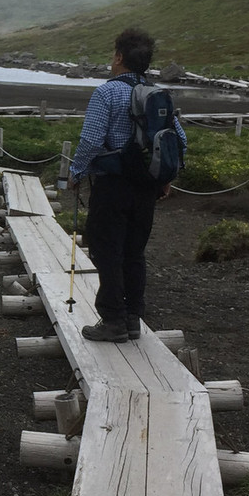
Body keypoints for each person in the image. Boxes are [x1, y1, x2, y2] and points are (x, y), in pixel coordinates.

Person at [68, 28, 187, 342]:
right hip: (146, 186)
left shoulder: (106, 93)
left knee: (107, 252)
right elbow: (180, 140)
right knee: (134, 252)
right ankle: (133, 318)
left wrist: (76, 172)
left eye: (113, 54)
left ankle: (113, 321)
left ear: (119, 57)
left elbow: (92, 140)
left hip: (112, 186)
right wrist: (165, 179)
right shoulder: (156, 95)